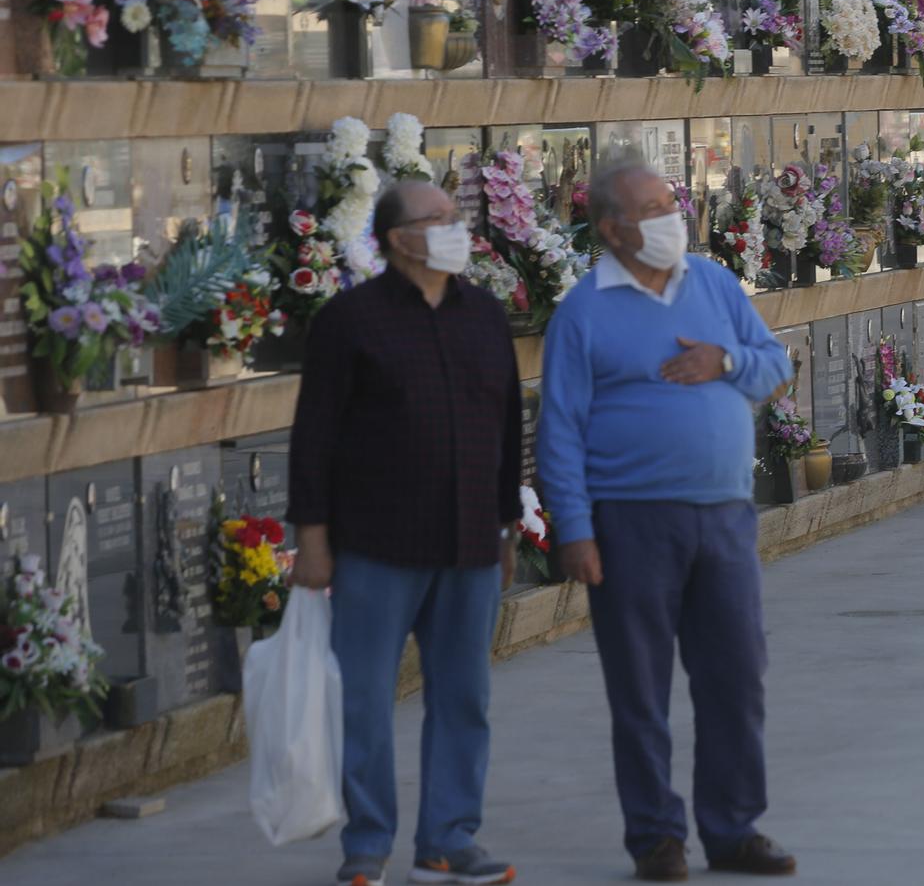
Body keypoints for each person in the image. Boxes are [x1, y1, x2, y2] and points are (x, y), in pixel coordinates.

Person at [538, 160, 797, 882]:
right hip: (629, 523)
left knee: (737, 677)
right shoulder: (583, 311)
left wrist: (726, 360)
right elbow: (559, 429)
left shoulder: (712, 282)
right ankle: (657, 836)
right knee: (640, 688)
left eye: (670, 202)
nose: (669, 215)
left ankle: (733, 827)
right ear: (612, 228)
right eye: (651, 207)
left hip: (723, 517)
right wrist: (575, 529)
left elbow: (775, 366)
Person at [288, 181, 522, 886]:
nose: (456, 227)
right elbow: (315, 435)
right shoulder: (349, 319)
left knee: (464, 697)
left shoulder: (483, 313)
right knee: (364, 698)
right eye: (439, 219)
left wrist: (509, 523)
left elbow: (510, 423)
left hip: (469, 543)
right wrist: (315, 537)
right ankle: (367, 843)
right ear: (398, 238)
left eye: (458, 217)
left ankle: (449, 839)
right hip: (375, 546)